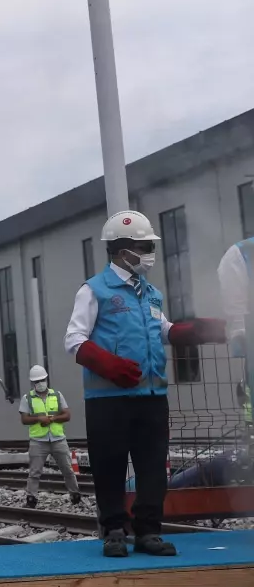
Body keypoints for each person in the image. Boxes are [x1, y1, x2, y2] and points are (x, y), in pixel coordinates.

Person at [65, 210, 226, 557]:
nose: (149, 251)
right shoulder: (94, 290)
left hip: (152, 395)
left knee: (153, 466)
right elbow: (74, 339)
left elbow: (163, 329)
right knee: (109, 465)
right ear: (123, 249)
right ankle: (113, 529)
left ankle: (148, 531)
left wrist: (196, 331)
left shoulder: (151, 293)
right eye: (144, 245)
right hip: (108, 398)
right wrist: (108, 365)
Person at [17, 364, 81, 507]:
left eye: (42, 380)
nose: (40, 383)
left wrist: (52, 419)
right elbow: (24, 419)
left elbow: (67, 415)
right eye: (36, 381)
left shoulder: (57, 395)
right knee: (34, 472)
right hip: (38, 441)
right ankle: (31, 498)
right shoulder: (27, 398)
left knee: (68, 469)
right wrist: (39, 419)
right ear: (32, 383)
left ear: (46, 379)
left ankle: (75, 495)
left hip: (58, 438)